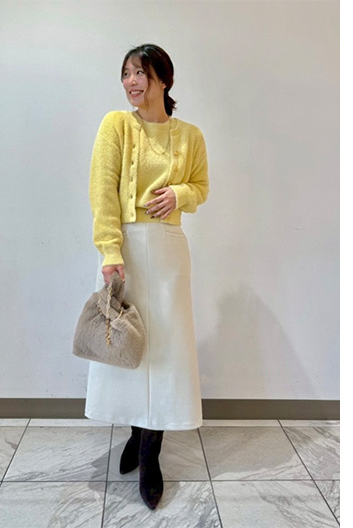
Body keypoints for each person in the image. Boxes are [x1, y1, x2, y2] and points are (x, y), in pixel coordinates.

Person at [84, 44, 209, 510]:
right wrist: (109, 249)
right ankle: (137, 433)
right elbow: (102, 190)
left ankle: (150, 453)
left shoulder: (190, 135)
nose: (131, 82)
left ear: (163, 79)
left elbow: (201, 187)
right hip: (128, 249)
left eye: (140, 73)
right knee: (130, 344)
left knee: (166, 349)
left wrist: (179, 194)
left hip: (170, 249)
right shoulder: (116, 125)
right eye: (126, 74)